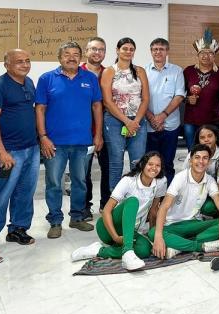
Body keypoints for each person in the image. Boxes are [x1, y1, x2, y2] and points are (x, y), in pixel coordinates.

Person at [35, 42, 104, 239]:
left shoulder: (90, 78)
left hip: (82, 142)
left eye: (76, 54)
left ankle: (77, 217)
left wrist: (98, 135)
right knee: (54, 182)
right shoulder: (47, 79)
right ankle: (55, 220)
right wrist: (43, 137)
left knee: (80, 182)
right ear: (60, 58)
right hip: (54, 143)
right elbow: (39, 109)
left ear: (80, 57)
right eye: (67, 54)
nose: (72, 57)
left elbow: (97, 107)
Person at [70, 151, 168, 270]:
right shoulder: (128, 180)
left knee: (145, 250)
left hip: (129, 231)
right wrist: (115, 237)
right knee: (133, 201)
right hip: (108, 228)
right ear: (142, 165)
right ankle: (127, 251)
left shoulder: (161, 181)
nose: (154, 168)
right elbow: (106, 211)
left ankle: (99, 250)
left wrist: (154, 236)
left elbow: (153, 211)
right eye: (150, 164)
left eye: (158, 165)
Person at [149, 144, 219, 258]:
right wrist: (158, 236)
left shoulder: (209, 181)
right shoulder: (180, 177)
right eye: (197, 157)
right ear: (190, 161)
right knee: (153, 233)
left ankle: (179, 246)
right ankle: (202, 246)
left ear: (209, 162)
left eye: (205, 158)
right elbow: (164, 207)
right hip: (173, 225)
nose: (201, 161)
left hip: (194, 223)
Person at [0, 49, 37, 264]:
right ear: (7, 64)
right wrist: (1, 151)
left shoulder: (29, 83)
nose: (25, 64)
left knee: (25, 192)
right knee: (0, 195)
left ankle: (18, 229)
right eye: (19, 61)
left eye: (27, 61)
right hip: (10, 151)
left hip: (31, 148)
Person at [101, 38, 150, 194]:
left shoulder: (140, 71)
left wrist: (135, 121)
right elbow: (107, 102)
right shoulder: (109, 71)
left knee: (137, 161)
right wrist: (126, 121)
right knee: (116, 161)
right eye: (125, 48)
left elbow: (146, 98)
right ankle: (115, 201)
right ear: (117, 50)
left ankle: (136, 197)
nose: (128, 52)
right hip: (115, 121)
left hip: (138, 121)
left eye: (131, 49)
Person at [144, 38, 185, 184]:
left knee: (167, 163)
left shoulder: (177, 71)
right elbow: (140, 98)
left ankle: (167, 198)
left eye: (161, 49)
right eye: (155, 49)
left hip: (170, 125)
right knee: (150, 164)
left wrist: (162, 116)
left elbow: (179, 96)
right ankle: (151, 196)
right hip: (149, 126)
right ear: (151, 51)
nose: (158, 52)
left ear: (167, 51)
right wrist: (152, 118)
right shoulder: (143, 71)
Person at [182, 34, 219, 150]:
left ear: (214, 56)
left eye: (210, 53)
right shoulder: (188, 71)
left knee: (212, 152)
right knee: (192, 151)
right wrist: (187, 99)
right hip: (191, 121)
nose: (205, 56)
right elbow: (180, 94)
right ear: (198, 55)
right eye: (202, 53)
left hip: (213, 121)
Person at [81, 37, 110, 215]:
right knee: (83, 172)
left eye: (101, 49)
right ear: (86, 51)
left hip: (107, 130)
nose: (97, 52)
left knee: (108, 168)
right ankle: (84, 206)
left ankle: (106, 204)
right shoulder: (77, 72)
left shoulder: (110, 73)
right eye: (93, 49)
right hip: (83, 131)